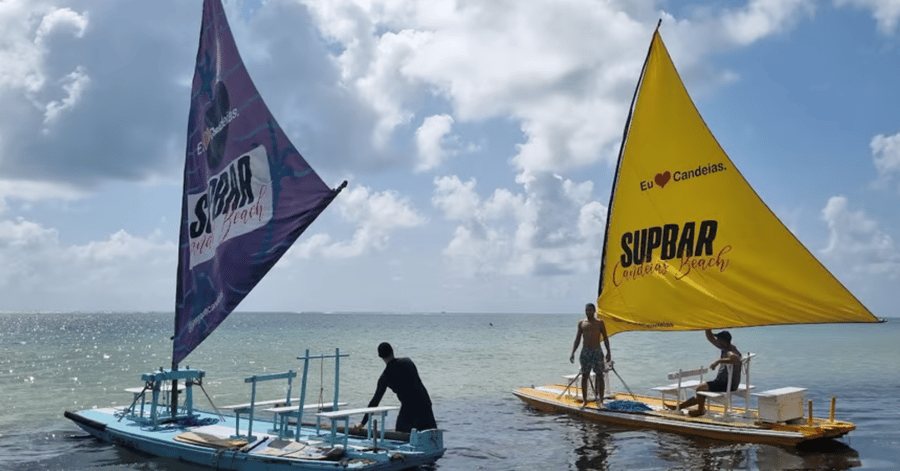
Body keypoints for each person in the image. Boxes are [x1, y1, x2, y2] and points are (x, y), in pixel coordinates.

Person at [356, 342, 437, 433]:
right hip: (425, 402)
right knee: (431, 435)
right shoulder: (408, 362)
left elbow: (375, 401)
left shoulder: (385, 377)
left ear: (380, 356)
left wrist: (363, 423)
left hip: (409, 408)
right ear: (392, 351)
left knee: (401, 437)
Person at [667, 329, 742, 416]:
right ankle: (679, 407)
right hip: (726, 382)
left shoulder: (730, 351)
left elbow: (736, 359)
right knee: (701, 391)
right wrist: (707, 326)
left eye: (718, 339)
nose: (716, 340)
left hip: (726, 384)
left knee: (699, 389)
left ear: (722, 341)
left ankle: (700, 410)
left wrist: (718, 361)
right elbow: (710, 338)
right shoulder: (726, 347)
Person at [569, 303, 612, 406]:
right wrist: (573, 352)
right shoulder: (582, 323)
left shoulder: (600, 323)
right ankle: (585, 400)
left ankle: (600, 400)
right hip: (585, 352)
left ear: (594, 311)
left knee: (600, 376)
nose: (588, 312)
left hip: (597, 351)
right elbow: (578, 339)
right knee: (585, 376)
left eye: (590, 310)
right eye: (586, 310)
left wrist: (608, 352)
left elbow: (605, 338)